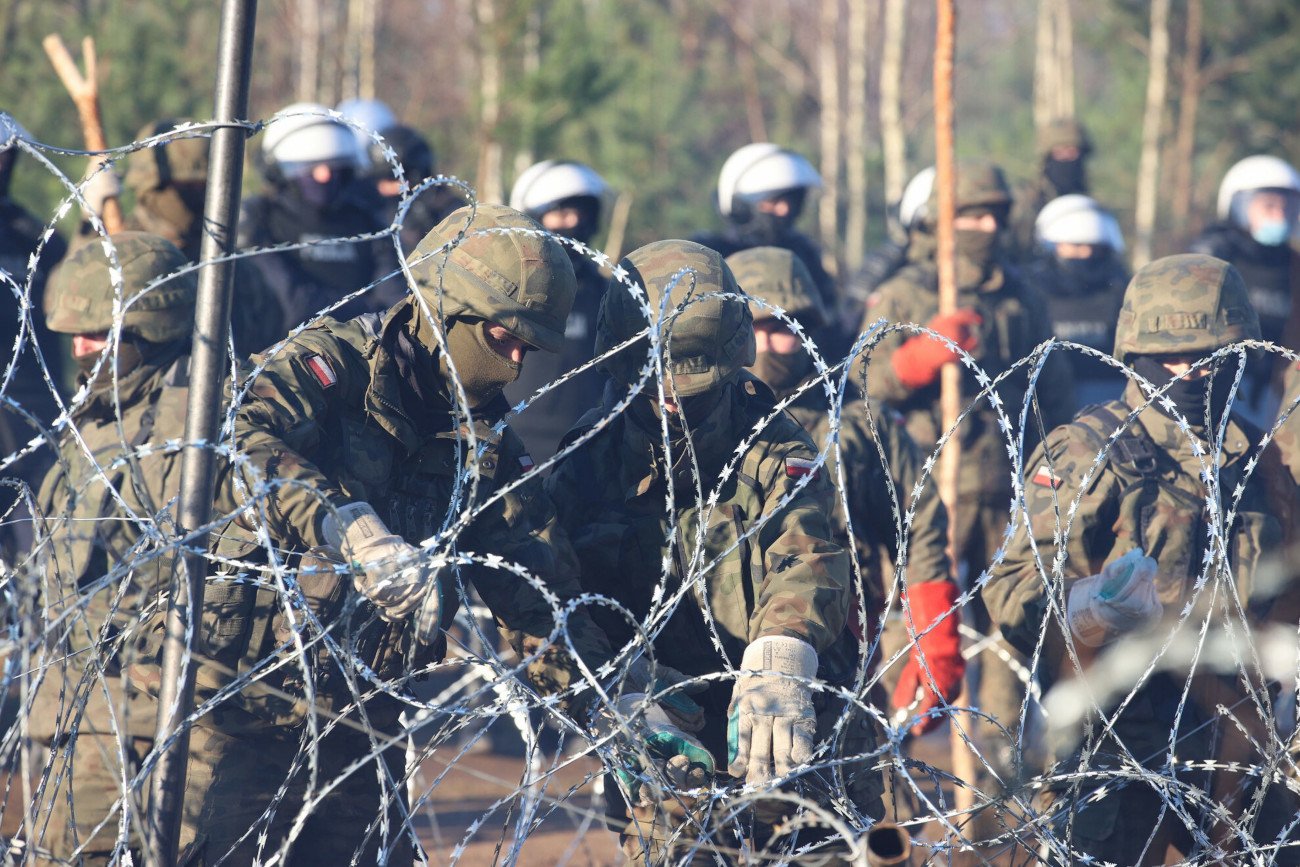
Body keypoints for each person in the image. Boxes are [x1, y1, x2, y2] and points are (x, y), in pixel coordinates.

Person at [135, 203, 688, 864]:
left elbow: (537, 587)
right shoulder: (333, 364)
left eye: (528, 349)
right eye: (503, 338)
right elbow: (237, 441)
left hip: (361, 729)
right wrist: (351, 529)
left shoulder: (483, 442)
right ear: (444, 308)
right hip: (234, 719)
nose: (514, 366)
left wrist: (615, 700)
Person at [546, 239, 878, 863]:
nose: (672, 394)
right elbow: (558, 598)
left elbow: (806, 551)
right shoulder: (587, 459)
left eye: (691, 376)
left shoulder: (774, 443)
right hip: (665, 738)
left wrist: (783, 652)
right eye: (653, 375)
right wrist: (618, 692)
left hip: (786, 723)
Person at [983, 254, 1300, 864]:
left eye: (1211, 355)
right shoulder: (1087, 451)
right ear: (1135, 355)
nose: (1192, 371)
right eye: (1172, 358)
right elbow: (1014, 586)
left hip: (1231, 732)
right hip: (1118, 734)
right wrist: (1091, 607)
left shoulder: (1256, 460)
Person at [860, 161, 1075, 800]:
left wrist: (1056, 467)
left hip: (1008, 491)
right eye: (969, 216)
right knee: (919, 641)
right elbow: (863, 382)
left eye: (993, 216)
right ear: (937, 220)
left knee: (1008, 640)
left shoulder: (1021, 295)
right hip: (929, 494)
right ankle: (894, 795)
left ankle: (993, 795)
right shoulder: (905, 292)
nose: (984, 227)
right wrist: (916, 358)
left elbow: (1052, 389)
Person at [725, 245, 963, 741]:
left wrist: (931, 636)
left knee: (850, 801)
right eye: (756, 327)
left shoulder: (854, 423)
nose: (769, 344)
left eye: (783, 329)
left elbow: (916, 523)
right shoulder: (702, 425)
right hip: (719, 637)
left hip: (839, 647)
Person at [29, 232, 199, 864]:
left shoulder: (188, 429)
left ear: (151, 332)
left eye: (100, 334)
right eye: (77, 333)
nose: (81, 348)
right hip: (82, 700)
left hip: (157, 705)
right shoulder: (100, 410)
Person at [116, 118, 281, 357]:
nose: (200, 197)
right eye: (187, 187)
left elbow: (268, 335)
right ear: (152, 187)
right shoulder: (119, 250)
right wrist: (89, 225)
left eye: (205, 186)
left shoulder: (228, 263)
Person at [239, 102, 400, 334]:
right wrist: (366, 309)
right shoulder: (259, 219)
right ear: (278, 170)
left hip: (361, 356)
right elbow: (291, 306)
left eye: (333, 165)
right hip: (279, 359)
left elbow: (393, 304)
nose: (324, 176)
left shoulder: (366, 222)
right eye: (309, 167)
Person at [506, 159, 612, 458]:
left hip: (589, 450)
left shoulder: (605, 293)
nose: (571, 224)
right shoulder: (510, 290)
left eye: (579, 214)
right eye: (560, 213)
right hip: (517, 450)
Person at [0, 112, 68, 562]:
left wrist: (97, 222)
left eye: (5, 158)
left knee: (36, 566)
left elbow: (93, 292)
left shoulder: (32, 235)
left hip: (30, 416)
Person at [1190, 155, 1300, 419]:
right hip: (1215, 391)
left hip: (1276, 393)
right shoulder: (1212, 257)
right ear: (1238, 205)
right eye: (1268, 206)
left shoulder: (1294, 266)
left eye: (1288, 208)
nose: (1279, 215)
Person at [692, 143, 834, 316]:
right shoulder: (707, 257)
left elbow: (829, 324)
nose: (784, 210)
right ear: (740, 204)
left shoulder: (803, 254)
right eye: (772, 201)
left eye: (792, 200)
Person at [1025, 194, 1130, 406]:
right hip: (1046, 403)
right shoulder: (1029, 291)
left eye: (1094, 247)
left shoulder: (1122, 291)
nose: (1086, 253)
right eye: (1075, 246)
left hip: (1113, 406)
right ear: (1052, 245)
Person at [1011, 116, 1093, 255]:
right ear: (1047, 158)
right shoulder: (1026, 203)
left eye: (1072, 152)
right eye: (1059, 152)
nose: (1066, 158)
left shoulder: (1090, 207)